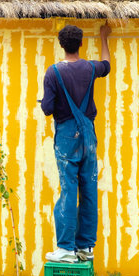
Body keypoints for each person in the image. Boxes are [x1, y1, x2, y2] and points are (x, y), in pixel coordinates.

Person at [41, 24, 111, 263]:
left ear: (62, 45)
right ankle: (85, 247)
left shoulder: (53, 72)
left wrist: (45, 101)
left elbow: (48, 109)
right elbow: (107, 65)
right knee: (89, 188)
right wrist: (103, 37)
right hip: (88, 135)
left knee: (69, 189)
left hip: (66, 136)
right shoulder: (91, 68)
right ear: (81, 44)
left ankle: (66, 248)